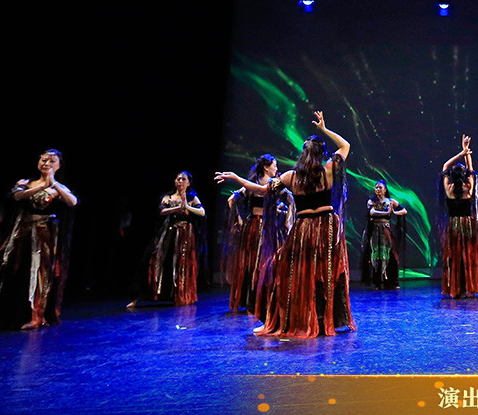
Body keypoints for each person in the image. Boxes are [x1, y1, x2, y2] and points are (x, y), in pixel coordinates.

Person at [216, 111, 354, 337]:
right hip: (326, 226)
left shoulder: (292, 176)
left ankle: (305, 318)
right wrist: (324, 129)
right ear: (322, 154)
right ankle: (318, 319)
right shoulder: (328, 170)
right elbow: (345, 145)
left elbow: (263, 190)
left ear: (304, 154)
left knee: (294, 273)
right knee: (324, 273)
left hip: (304, 229)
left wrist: (237, 178)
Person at [0, 149, 78, 329]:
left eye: (51, 161)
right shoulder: (26, 183)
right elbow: (17, 196)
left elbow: (72, 202)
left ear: (59, 166)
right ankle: (1, 314)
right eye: (43, 160)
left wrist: (53, 183)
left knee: (40, 273)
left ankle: (38, 317)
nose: (46, 163)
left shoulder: (58, 188)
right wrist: (42, 186)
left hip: (43, 236)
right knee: (3, 267)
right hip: (20, 233)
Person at [221, 154, 291, 314]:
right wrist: (238, 219)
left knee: (256, 262)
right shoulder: (266, 185)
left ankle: (255, 300)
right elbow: (232, 200)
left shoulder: (256, 185)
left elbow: (231, 199)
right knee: (260, 262)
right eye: (274, 165)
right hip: (263, 228)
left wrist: (240, 219)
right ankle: (259, 300)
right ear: (266, 167)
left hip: (257, 226)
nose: (277, 168)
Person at [130, 172, 206, 307]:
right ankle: (146, 295)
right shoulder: (168, 197)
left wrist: (187, 207)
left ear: (188, 183)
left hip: (185, 235)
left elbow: (202, 212)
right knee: (157, 259)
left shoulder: (192, 197)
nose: (180, 181)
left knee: (182, 264)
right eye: (178, 179)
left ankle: (179, 295)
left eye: (183, 179)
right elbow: (162, 211)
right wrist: (177, 208)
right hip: (168, 233)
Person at [439, 136, 478, 297]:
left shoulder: (449, 189)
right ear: (464, 175)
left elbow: (445, 166)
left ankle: (455, 289)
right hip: (467, 225)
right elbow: (471, 170)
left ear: (451, 175)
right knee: (468, 255)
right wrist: (466, 153)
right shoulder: (468, 187)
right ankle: (469, 288)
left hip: (453, 225)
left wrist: (461, 153)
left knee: (455, 256)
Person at [360, 180, 407, 290]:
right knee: (375, 256)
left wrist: (394, 212)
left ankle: (390, 281)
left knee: (389, 255)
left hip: (386, 231)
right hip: (374, 231)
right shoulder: (372, 201)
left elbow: (404, 210)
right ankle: (377, 282)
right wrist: (386, 213)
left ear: (385, 189)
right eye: (376, 187)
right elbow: (372, 212)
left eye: (380, 187)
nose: (377, 189)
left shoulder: (390, 201)